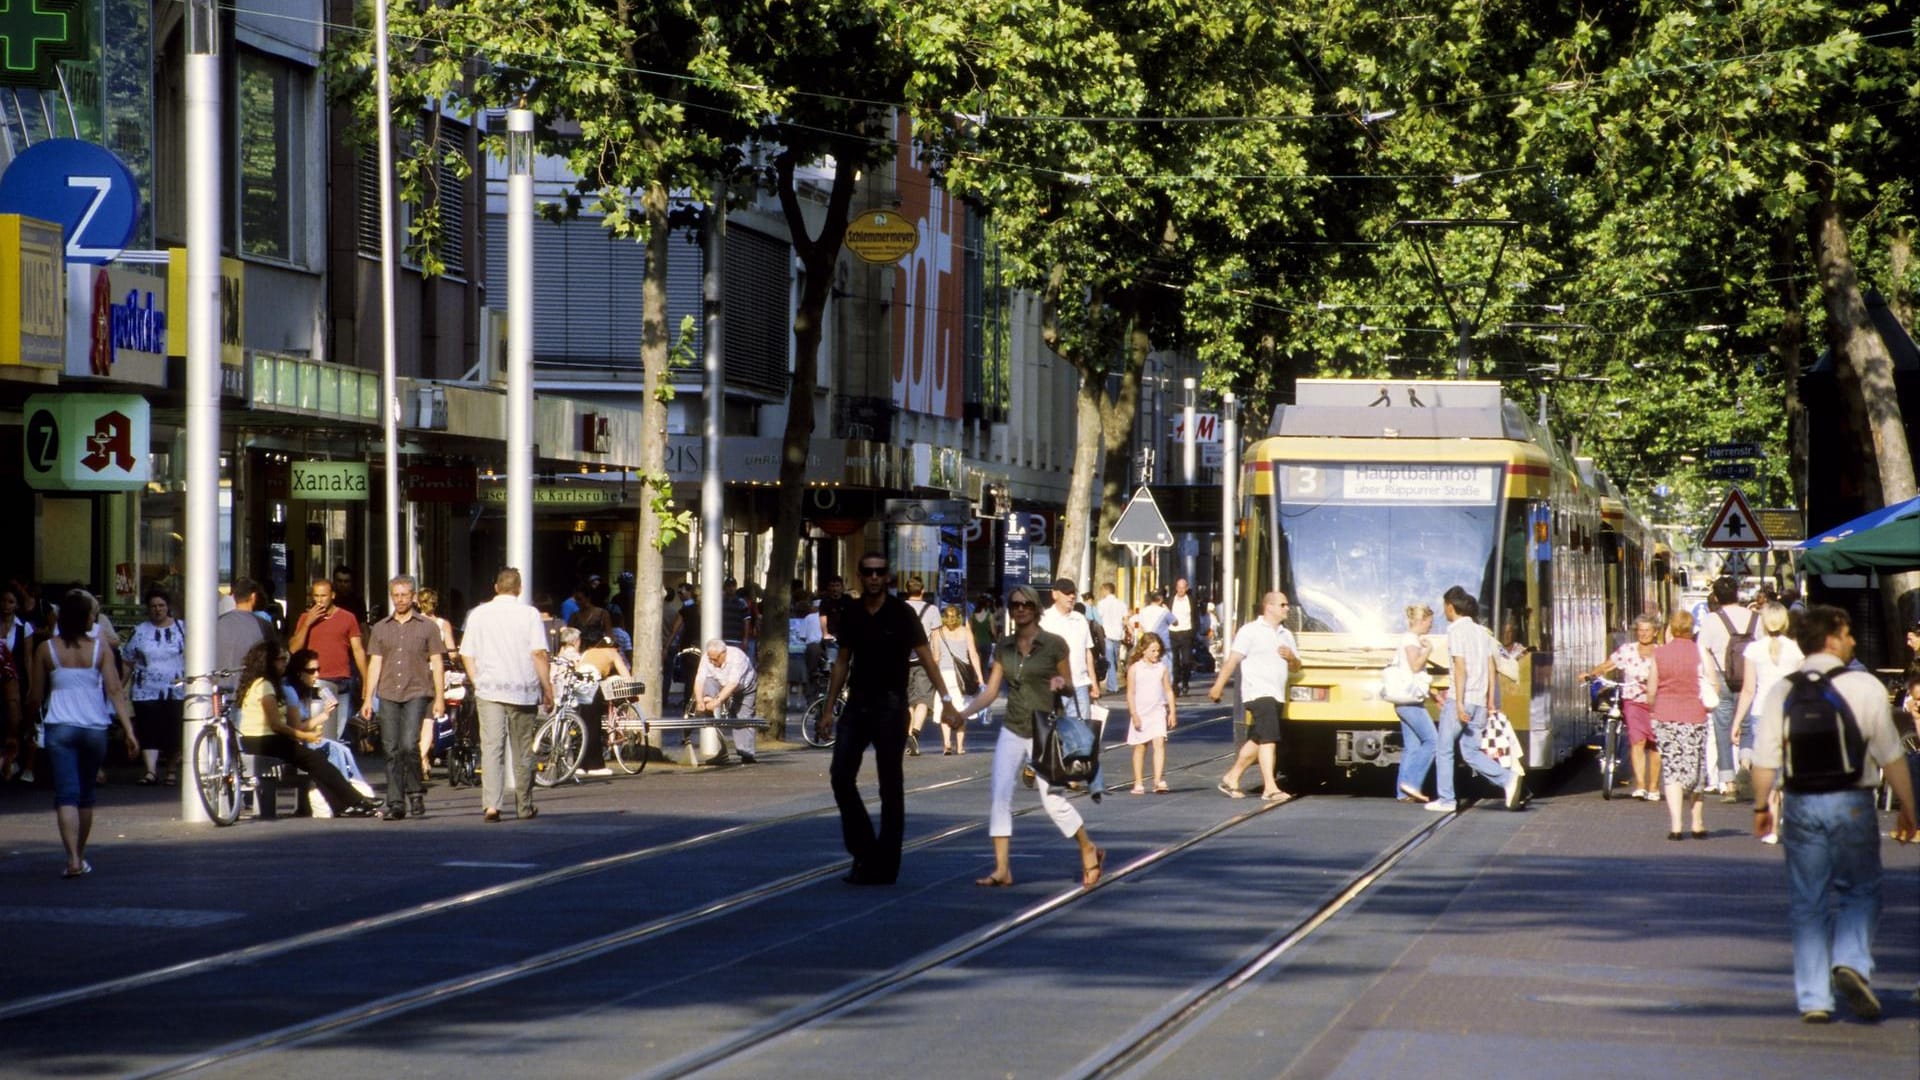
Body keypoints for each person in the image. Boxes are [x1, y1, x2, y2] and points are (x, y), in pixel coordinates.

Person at [1750, 605, 1918, 1023]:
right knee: (1861, 889)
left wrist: (1760, 806)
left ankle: (1814, 1000)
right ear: (1831, 638)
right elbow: (1890, 754)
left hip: (1801, 803)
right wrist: (1908, 808)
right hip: (1851, 802)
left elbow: (1764, 759)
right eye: (1847, 634)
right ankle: (1850, 961)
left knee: (1808, 901)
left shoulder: (1782, 692)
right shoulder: (1865, 687)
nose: (1854, 641)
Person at [955, 584, 1106, 889]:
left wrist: (1060, 682)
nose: (1020, 608)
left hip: (1045, 728)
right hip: (1013, 727)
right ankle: (1002, 869)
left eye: (1025, 604)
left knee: (1052, 800)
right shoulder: (1005, 647)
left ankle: (1087, 846)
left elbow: (1068, 685)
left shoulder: (1054, 644)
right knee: (999, 795)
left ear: (1036, 608)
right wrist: (963, 714)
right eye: (1015, 605)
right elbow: (993, 691)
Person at [820, 553, 957, 885]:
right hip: (858, 705)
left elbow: (927, 658)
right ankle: (866, 851)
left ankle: (886, 865)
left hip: (892, 706)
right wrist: (828, 708)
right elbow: (842, 662)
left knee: (890, 785)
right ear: (860, 575)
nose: (873, 577)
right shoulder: (852, 613)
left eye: (880, 572)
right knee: (840, 776)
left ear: (888, 577)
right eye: (868, 572)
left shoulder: (902, 613)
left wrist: (948, 700)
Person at [29, 590, 140, 876]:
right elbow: (115, 690)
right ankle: (82, 851)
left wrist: (26, 724)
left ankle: (72, 859)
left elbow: (36, 695)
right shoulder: (100, 648)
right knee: (86, 795)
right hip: (94, 727)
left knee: (66, 794)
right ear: (86, 618)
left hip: (60, 726)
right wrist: (129, 731)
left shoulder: (46, 649)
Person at [233, 641, 376, 819]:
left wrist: (316, 722)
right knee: (316, 759)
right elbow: (276, 724)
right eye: (280, 660)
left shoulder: (259, 684)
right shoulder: (265, 686)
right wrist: (305, 736)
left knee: (315, 762)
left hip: (259, 739)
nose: (284, 664)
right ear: (268, 662)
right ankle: (355, 801)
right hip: (264, 740)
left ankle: (344, 804)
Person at [459, 568, 554, 822]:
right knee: (522, 749)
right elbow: (538, 653)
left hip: (489, 688)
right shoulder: (530, 614)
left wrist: (477, 680)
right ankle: (524, 805)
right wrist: (548, 688)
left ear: (496, 587)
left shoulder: (478, 614)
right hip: (522, 689)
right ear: (520, 589)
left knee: (492, 747)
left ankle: (492, 804)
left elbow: (466, 653)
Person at [1429, 588, 1522, 813]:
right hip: (1480, 700)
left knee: (1444, 749)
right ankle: (1508, 778)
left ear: (1451, 606)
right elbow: (1492, 667)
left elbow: (1460, 667)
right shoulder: (1483, 632)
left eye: (1445, 607)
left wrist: (1459, 703)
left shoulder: (1455, 632)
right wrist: (1490, 700)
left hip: (1461, 698)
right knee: (1470, 751)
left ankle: (1447, 800)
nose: (1444, 612)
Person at [361, 575, 445, 821]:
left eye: (404, 595)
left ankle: (416, 791)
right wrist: (368, 699)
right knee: (390, 747)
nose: (400, 600)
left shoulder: (427, 626)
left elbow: (437, 663)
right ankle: (396, 802)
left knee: (409, 744)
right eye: (396, 595)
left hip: (416, 691)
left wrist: (439, 697)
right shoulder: (380, 628)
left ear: (414, 597)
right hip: (388, 692)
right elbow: (374, 663)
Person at [1208, 591, 1300, 800]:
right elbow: (1232, 660)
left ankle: (1231, 778)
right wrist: (1218, 686)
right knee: (1269, 738)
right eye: (1283, 605)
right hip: (1258, 692)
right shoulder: (1250, 631)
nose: (1287, 608)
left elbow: (1296, 667)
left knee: (1258, 738)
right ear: (1269, 607)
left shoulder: (1286, 635)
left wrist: (1291, 657)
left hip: (1277, 693)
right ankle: (1270, 787)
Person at [1730, 602, 1805, 842]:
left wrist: (1736, 722)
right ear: (1785, 622)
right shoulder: (1796, 650)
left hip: (1762, 713)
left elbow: (1748, 689)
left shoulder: (1753, 650)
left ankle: (1772, 828)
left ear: (1763, 622)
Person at [1646, 609, 1714, 839]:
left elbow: (1652, 689)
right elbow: (1714, 685)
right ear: (1691, 628)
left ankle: (1676, 826)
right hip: (1695, 716)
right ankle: (1697, 822)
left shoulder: (1660, 653)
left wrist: (1653, 709)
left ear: (1671, 629)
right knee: (1696, 766)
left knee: (1672, 769)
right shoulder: (1700, 652)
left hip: (1666, 717)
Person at [1582, 614, 1664, 799]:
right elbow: (1608, 665)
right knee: (1638, 741)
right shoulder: (1627, 650)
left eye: (1647, 630)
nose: (1643, 634)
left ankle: (1654, 787)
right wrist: (1591, 674)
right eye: (1640, 630)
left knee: (1655, 745)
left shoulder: (1661, 652)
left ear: (1655, 632)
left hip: (1656, 703)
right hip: (1633, 700)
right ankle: (1641, 785)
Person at [1697, 576, 1756, 799]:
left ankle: (1728, 784)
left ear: (1716, 596)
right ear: (1737, 593)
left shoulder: (1712, 619)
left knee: (1722, 729)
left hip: (1721, 677)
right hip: (1749, 678)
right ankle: (1746, 763)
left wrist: (1712, 678)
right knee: (1747, 725)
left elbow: (1703, 650)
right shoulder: (1754, 618)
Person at [288, 578, 369, 741]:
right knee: (316, 726)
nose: (319, 600)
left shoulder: (348, 618)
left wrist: (366, 680)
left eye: (323, 596)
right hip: (314, 681)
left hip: (341, 681)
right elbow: (293, 648)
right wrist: (308, 623)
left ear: (332, 595)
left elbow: (358, 650)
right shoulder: (305, 618)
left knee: (337, 728)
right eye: (316, 596)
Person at [123, 589, 187, 786]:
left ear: (168, 607)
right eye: (153, 606)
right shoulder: (140, 631)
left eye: (161, 606)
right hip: (145, 689)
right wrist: (120, 687)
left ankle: (171, 770)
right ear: (148, 609)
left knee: (173, 730)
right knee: (148, 729)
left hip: (175, 688)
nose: (158, 610)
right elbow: (128, 660)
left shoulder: (182, 628)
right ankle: (150, 771)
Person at [1392, 604, 1438, 804]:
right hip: (1410, 702)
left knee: (1412, 746)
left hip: (1404, 701)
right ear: (1421, 620)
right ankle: (1412, 784)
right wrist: (1427, 650)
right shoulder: (1411, 640)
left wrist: (1433, 692)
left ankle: (1403, 792)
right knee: (1433, 741)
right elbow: (1415, 665)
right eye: (1429, 622)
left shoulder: (1408, 639)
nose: (1431, 626)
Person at [1038, 579, 1102, 723]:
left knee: (1082, 732)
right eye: (1066, 593)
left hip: (1080, 685)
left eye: (1073, 593)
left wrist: (1094, 682)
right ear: (1055, 595)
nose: (1071, 597)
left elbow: (1088, 653)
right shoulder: (1044, 620)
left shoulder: (1080, 619)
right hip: (1055, 686)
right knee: (1054, 732)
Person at [414, 586, 460, 778]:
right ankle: (422, 755)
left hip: (415, 674)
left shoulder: (413, 623)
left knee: (416, 718)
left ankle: (421, 757)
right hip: (436, 674)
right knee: (429, 717)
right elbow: (452, 652)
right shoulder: (442, 624)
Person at [573, 626, 631, 776]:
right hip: (592, 684)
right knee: (593, 725)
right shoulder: (613, 653)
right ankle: (595, 765)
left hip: (577, 683)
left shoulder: (588, 652)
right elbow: (626, 675)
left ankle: (579, 764)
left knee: (581, 724)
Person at [692, 638, 759, 764]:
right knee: (708, 681)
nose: (712, 662)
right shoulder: (707, 658)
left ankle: (746, 753)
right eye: (710, 658)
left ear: (723, 653)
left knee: (742, 717)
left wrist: (717, 701)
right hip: (720, 681)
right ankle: (707, 706)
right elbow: (699, 680)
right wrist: (699, 699)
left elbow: (733, 684)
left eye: (715, 659)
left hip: (744, 686)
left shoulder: (737, 657)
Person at [1125, 635, 1175, 794]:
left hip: (1157, 711)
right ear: (1143, 650)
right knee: (1140, 746)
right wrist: (1134, 714)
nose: (1156, 654)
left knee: (1159, 743)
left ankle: (1158, 780)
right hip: (1140, 712)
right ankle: (1138, 782)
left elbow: (1168, 690)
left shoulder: (1162, 668)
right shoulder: (1135, 669)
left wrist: (1172, 711)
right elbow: (1130, 693)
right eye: (1152, 650)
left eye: (1158, 651)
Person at [931, 604, 984, 755]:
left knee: (944, 709)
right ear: (959, 617)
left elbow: (936, 658)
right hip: (962, 677)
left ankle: (947, 744)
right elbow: (973, 655)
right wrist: (979, 676)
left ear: (944, 617)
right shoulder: (966, 632)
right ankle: (960, 747)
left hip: (943, 675)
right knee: (961, 710)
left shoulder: (937, 633)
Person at [900, 577, 944, 756]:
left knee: (908, 699)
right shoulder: (932, 610)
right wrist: (936, 657)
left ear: (906, 590)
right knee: (923, 699)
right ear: (923, 590)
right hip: (923, 658)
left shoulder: (898, 608)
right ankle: (915, 734)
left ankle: (908, 733)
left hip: (901, 659)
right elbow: (935, 636)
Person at [215, 577, 279, 687]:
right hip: (251, 689)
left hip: (222, 688)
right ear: (253, 596)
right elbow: (273, 658)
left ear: (233, 596)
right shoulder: (263, 625)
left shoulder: (219, 623)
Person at [1095, 584, 1128, 693]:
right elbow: (1125, 619)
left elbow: (1098, 618)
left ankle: (1112, 686)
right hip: (1118, 634)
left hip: (1107, 634)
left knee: (1110, 660)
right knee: (1113, 659)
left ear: (1105, 590)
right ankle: (1111, 684)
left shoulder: (1101, 604)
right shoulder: (1121, 604)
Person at [1168, 578, 1195, 696]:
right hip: (1172, 633)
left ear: (1186, 588)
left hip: (1186, 633)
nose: (1180, 590)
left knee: (1186, 661)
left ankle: (1185, 682)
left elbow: (1196, 617)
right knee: (1174, 660)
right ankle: (1175, 684)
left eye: (1183, 587)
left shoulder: (1191, 600)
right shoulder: (1170, 600)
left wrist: (1194, 632)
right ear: (1176, 588)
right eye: (1178, 587)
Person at [1132, 589, 1172, 655]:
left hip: (1148, 643)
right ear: (1161, 599)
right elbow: (1175, 622)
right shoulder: (1164, 611)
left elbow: (1132, 622)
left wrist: (1142, 630)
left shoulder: (1143, 611)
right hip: (1163, 645)